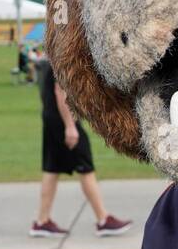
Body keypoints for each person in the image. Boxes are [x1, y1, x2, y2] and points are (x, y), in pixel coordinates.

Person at [31, 59, 131, 237]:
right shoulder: (63, 55)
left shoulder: (53, 54)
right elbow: (60, 92)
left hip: (52, 117)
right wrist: (70, 126)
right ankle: (103, 220)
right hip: (63, 120)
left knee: (52, 168)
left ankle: (42, 221)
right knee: (85, 166)